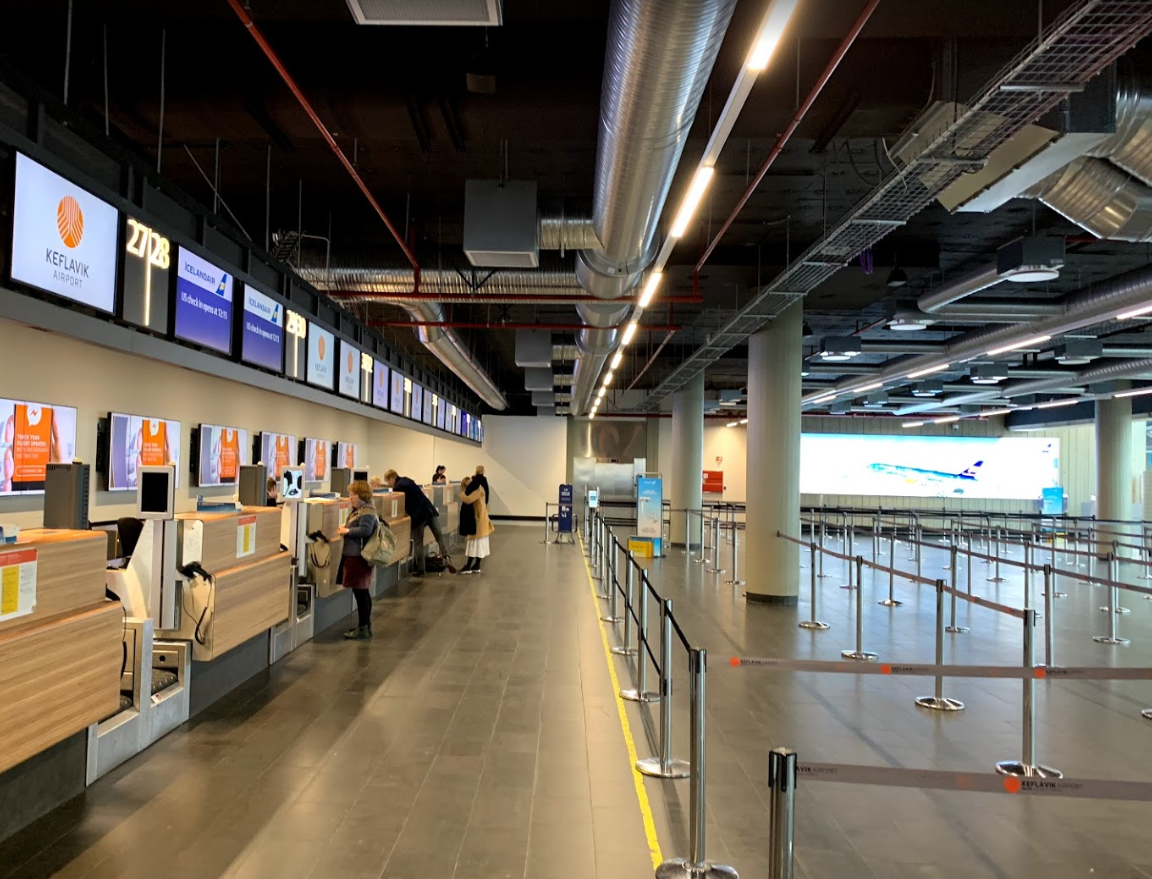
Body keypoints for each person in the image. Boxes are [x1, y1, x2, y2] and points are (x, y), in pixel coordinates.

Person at [384, 469, 455, 576]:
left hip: (418, 516)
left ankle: (421, 569)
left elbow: (400, 504)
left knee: (418, 542)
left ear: (391, 479)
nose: (388, 484)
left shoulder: (397, 488)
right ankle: (447, 557)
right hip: (429, 510)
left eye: (387, 481)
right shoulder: (407, 480)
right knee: (439, 535)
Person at [338, 480, 379, 640]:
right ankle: (365, 626)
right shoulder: (363, 510)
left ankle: (363, 627)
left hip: (358, 556)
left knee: (361, 593)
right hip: (358, 556)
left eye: (352, 494)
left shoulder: (365, 512)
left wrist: (347, 531)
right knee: (362, 592)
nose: (350, 497)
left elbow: (366, 530)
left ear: (361, 495)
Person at [458, 476, 494, 574]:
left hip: (478, 521)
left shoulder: (477, 491)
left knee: (474, 544)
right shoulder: (479, 489)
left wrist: (461, 494)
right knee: (479, 544)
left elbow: (468, 499)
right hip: (481, 520)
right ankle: (476, 565)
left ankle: (468, 566)